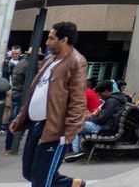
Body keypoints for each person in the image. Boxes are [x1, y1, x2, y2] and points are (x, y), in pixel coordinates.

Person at [9, 21, 87, 187]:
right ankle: (71, 184)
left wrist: (70, 129)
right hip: (37, 125)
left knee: (41, 180)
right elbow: (36, 92)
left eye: (51, 38)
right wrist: (20, 118)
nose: (47, 42)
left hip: (55, 127)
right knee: (29, 171)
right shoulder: (49, 61)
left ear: (63, 40)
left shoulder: (76, 62)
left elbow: (78, 99)